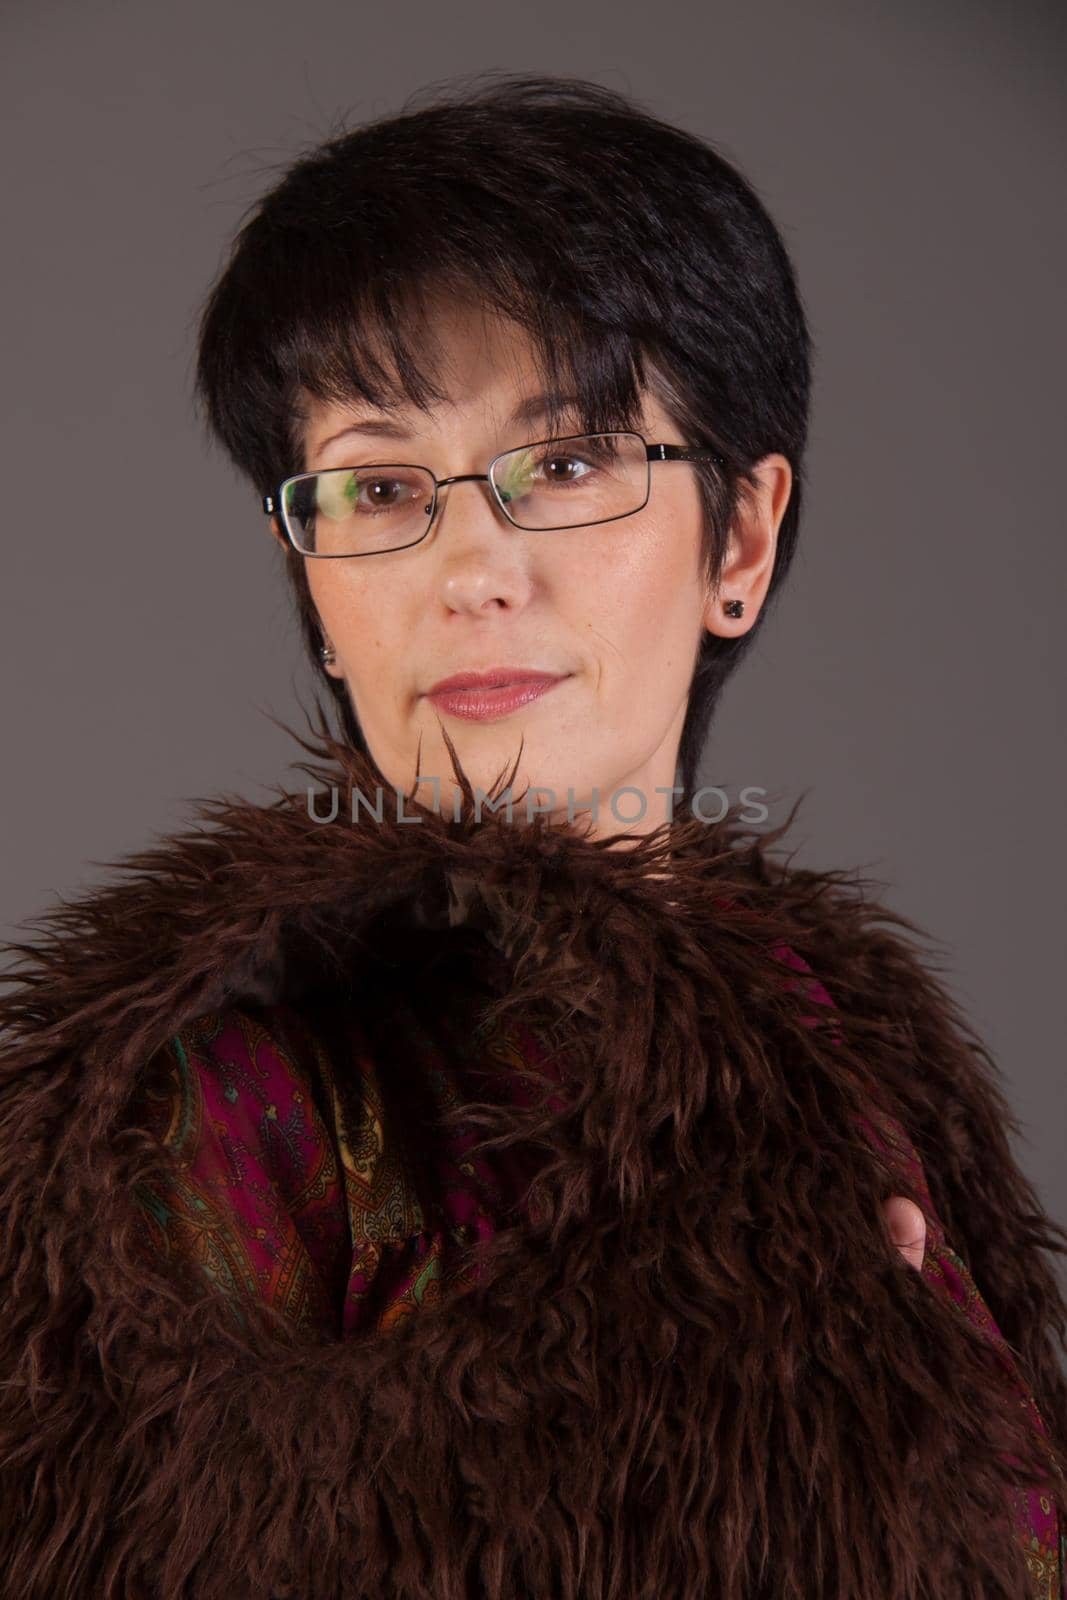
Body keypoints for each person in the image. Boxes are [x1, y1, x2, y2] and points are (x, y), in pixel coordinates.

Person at [1, 72, 1064, 1600]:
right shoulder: (235, 1095)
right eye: (377, 486)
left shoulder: (850, 1054)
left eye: (564, 463)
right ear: (316, 582)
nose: (469, 565)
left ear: (741, 541)